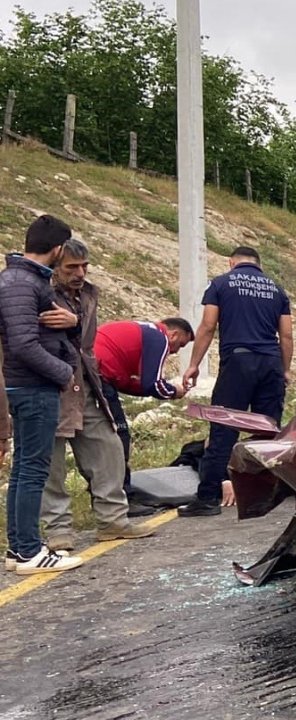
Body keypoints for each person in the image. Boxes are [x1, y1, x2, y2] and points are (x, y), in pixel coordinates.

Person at [38, 238, 155, 551]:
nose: (79, 273)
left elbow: (86, 342)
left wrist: (76, 326)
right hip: (50, 386)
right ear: (55, 267)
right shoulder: (40, 292)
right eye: (71, 267)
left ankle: (113, 520)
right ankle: (58, 530)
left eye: (84, 266)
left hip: (86, 383)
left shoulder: (89, 294)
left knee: (108, 450)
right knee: (51, 463)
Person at [180, 246, 293, 517]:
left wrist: (194, 364)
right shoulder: (276, 289)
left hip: (238, 363)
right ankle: (266, 496)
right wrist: (286, 369)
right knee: (268, 432)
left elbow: (208, 326)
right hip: (271, 363)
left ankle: (208, 498)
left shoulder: (220, 283)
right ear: (259, 264)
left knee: (223, 428)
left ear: (231, 262)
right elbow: (287, 335)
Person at [0, 215, 82, 574]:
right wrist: (63, 372)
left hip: (30, 386)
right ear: (58, 248)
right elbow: (22, 344)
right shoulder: (22, 282)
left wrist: (72, 324)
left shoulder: (24, 279)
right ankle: (31, 552)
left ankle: (19, 549)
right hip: (33, 388)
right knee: (33, 470)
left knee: (24, 469)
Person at [95, 317, 194, 505]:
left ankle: (105, 495)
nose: (175, 351)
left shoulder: (143, 331)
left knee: (101, 438)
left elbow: (126, 383)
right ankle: (122, 497)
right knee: (119, 437)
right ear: (174, 334)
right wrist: (174, 391)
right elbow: (153, 384)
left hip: (93, 371)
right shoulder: (160, 338)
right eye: (180, 345)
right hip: (99, 375)